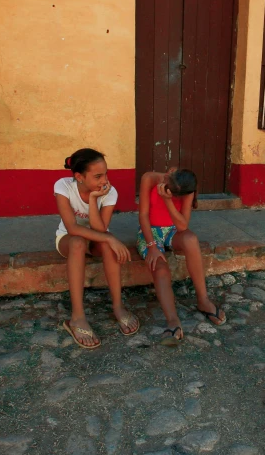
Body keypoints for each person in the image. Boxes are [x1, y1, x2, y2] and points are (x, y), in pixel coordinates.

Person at [54, 148, 139, 349]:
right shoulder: (63, 186)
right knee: (78, 241)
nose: (104, 180)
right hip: (68, 239)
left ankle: (118, 307)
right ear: (79, 177)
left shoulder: (110, 192)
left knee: (108, 245)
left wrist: (93, 199)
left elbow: (99, 228)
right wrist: (111, 239)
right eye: (98, 176)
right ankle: (77, 317)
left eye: (106, 174)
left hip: (96, 237)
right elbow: (72, 228)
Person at [137, 168, 226, 345]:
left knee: (191, 239)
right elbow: (144, 216)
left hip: (172, 231)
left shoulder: (187, 189)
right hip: (149, 234)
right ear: (170, 172)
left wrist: (168, 201)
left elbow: (183, 226)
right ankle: (172, 320)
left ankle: (203, 300)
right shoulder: (149, 178)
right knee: (160, 268)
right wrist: (152, 247)